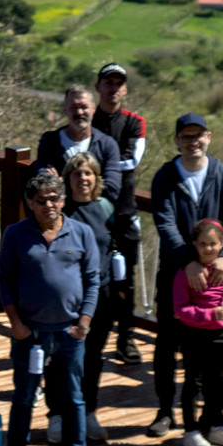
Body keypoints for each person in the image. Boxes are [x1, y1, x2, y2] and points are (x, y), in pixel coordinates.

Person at [0, 170, 102, 446]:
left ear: (63, 200)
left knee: (74, 399)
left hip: (70, 334)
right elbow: (4, 280)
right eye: (41, 200)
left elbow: (94, 279)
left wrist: (84, 323)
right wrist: (16, 325)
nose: (48, 205)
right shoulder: (15, 234)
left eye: (54, 199)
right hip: (30, 335)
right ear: (30, 202)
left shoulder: (81, 233)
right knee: (24, 398)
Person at [147, 114, 223, 438]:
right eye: (186, 137)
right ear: (177, 140)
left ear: (209, 137)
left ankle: (211, 416)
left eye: (198, 136)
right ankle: (165, 411)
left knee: (213, 352)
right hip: (175, 274)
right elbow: (164, 223)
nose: (193, 142)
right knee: (167, 345)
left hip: (217, 277)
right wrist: (187, 261)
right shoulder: (165, 176)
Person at [172, 220, 223, 446]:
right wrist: (210, 314)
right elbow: (180, 309)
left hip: (220, 333)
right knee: (192, 381)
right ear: (194, 245)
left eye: (213, 244)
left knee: (217, 380)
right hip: (193, 333)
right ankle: (190, 429)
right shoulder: (185, 273)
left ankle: (215, 424)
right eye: (203, 244)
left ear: (222, 244)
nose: (208, 249)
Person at [92, 64, 148, 364]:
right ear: (98, 86)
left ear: (124, 89)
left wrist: (96, 163)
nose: (113, 88)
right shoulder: (87, 117)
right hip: (89, 214)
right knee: (89, 276)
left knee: (126, 280)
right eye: (108, 82)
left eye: (118, 83)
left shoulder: (135, 122)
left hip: (124, 213)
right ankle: (90, 334)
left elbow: (132, 160)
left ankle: (126, 338)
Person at [63, 155, 119, 445]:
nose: (82, 178)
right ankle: (57, 415)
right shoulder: (61, 210)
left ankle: (88, 412)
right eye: (76, 174)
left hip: (102, 294)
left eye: (88, 174)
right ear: (67, 179)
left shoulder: (106, 208)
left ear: (97, 178)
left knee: (94, 356)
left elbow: (120, 245)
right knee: (61, 356)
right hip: (67, 296)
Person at [32, 85, 123, 208]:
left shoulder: (107, 145)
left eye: (84, 107)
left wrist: (61, 184)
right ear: (65, 109)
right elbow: (42, 179)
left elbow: (112, 188)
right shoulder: (50, 142)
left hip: (94, 216)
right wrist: (88, 185)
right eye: (73, 107)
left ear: (93, 108)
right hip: (58, 217)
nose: (79, 112)